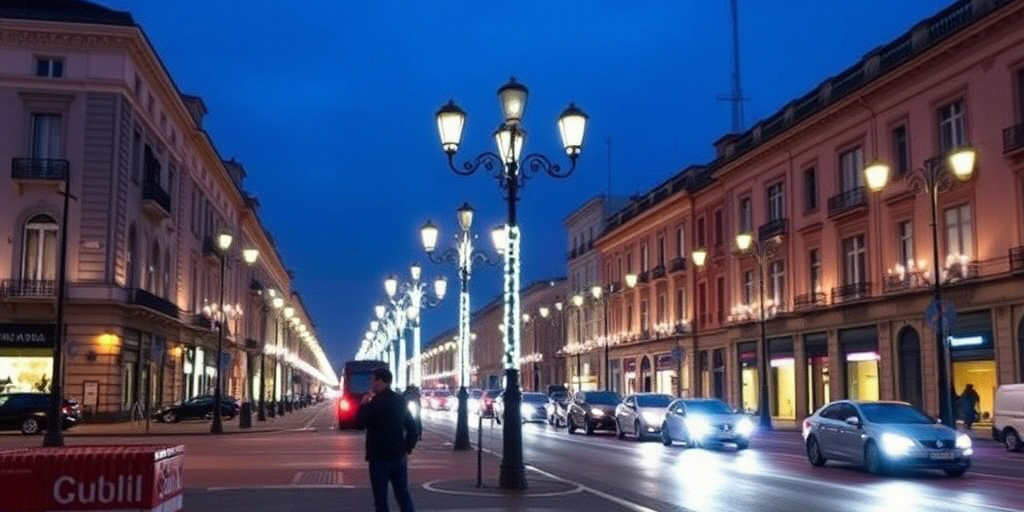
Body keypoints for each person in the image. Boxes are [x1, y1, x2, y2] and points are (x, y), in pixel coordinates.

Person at [355, 368, 418, 512]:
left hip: (378, 458)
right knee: (403, 495)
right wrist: (407, 449)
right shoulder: (400, 401)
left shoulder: (375, 403)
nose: (371, 384)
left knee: (381, 500)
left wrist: (363, 404)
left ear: (381, 381)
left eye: (373, 380)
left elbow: (359, 424)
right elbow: (413, 429)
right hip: (398, 456)